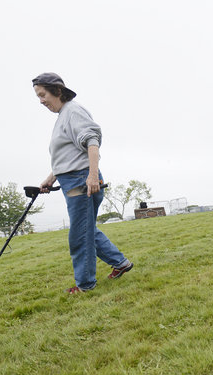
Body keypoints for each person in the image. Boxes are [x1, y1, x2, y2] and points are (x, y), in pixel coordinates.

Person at [32, 72, 133, 293]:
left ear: (57, 91)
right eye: (38, 97)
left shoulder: (73, 111)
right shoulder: (63, 116)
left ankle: (85, 285)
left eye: (42, 95)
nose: (41, 101)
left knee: (79, 236)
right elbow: (68, 156)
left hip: (83, 181)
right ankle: (121, 263)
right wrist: (49, 180)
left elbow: (92, 141)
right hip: (74, 179)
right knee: (87, 230)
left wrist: (92, 175)